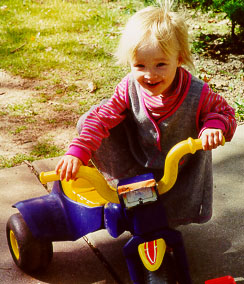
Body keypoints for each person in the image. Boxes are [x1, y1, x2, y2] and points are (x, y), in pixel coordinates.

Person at [55, 1, 236, 227]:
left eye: (160, 64)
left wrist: (214, 127)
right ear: (130, 63)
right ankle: (129, 190)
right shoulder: (129, 87)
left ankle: (165, 216)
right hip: (136, 160)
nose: (150, 75)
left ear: (179, 59)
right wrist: (78, 151)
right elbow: (101, 118)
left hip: (179, 169)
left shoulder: (198, 93)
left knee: (168, 216)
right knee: (91, 118)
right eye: (140, 65)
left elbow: (225, 112)